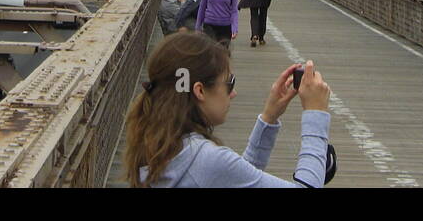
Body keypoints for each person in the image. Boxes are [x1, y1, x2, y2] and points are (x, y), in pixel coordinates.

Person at [123, 31, 333, 187]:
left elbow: (234, 179)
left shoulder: (161, 145)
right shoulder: (204, 159)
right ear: (200, 91)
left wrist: (269, 118)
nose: (232, 93)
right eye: (229, 83)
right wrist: (316, 113)